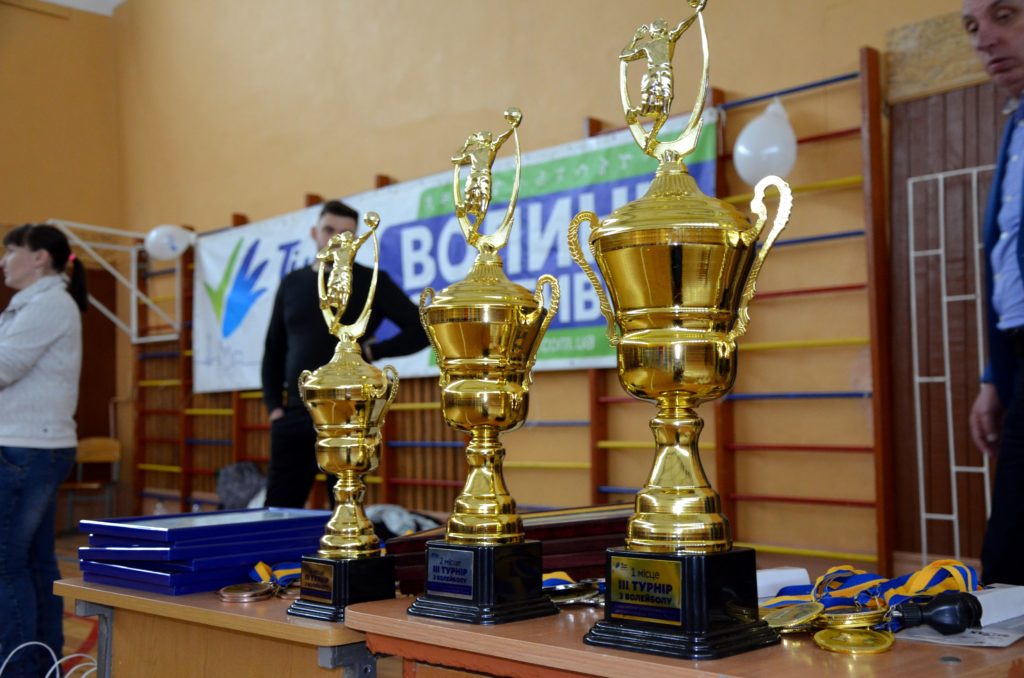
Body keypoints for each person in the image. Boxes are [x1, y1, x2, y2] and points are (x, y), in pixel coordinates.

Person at [261, 200, 428, 508]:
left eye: (346, 234)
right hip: (296, 413)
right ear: (314, 232)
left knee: (347, 508)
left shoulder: (372, 281)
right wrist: (275, 409)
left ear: (357, 239)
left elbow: (421, 329)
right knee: (279, 509)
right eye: (329, 230)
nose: (336, 239)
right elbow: (274, 349)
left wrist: (374, 350)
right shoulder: (293, 283)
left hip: (350, 415)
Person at [0, 223, 88, 676]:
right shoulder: (34, 303)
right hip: (30, 446)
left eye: (10, 250)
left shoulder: (49, 303)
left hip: (28, 448)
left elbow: (5, 366)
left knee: (6, 564)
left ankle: (19, 668)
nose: (3, 261)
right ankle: (41, 663)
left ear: (39, 258)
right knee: (32, 562)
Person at [964, 0, 1024, 586]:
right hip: (1018, 357)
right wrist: (993, 378)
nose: (984, 39)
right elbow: (1009, 262)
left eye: (1005, 15)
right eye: (973, 26)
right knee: (1007, 553)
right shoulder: (1016, 127)